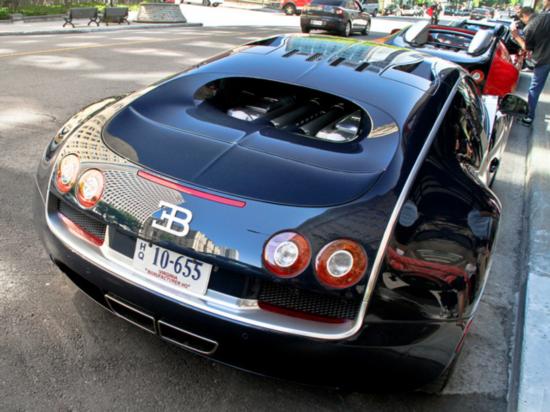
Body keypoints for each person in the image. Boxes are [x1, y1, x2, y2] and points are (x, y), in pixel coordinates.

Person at [510, 7, 550, 126]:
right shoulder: (546, 16)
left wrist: (516, 35)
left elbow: (526, 47)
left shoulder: (530, 27)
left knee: (535, 89)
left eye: (522, 19)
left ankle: (529, 117)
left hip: (543, 61)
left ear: (524, 16)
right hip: (544, 59)